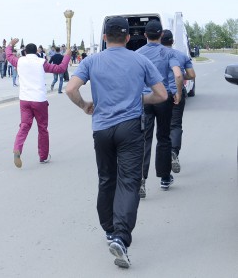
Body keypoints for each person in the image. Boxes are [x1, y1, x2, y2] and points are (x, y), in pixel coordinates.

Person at [65, 16, 167, 269]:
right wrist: (136, 99)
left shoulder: (91, 61)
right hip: (130, 128)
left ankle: (109, 230)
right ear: (129, 38)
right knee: (129, 181)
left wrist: (84, 105)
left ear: (104, 38)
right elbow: (162, 94)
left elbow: (70, 89)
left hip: (101, 129)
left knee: (106, 178)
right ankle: (121, 236)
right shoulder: (140, 60)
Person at [6, 38, 70, 167]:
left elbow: (8, 55)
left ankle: (17, 147)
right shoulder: (41, 62)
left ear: (25, 52)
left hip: (24, 99)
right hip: (39, 100)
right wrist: (67, 55)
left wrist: (11, 44)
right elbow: (61, 68)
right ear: (36, 52)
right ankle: (43, 156)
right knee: (42, 128)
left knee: (24, 125)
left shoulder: (20, 61)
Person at [136, 20, 183, 196]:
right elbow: (178, 74)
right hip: (164, 98)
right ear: (161, 35)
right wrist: (177, 92)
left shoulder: (138, 54)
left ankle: (141, 180)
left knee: (144, 139)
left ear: (145, 35)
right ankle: (164, 177)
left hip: (146, 99)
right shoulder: (168, 53)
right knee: (164, 137)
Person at [160, 30, 196, 174]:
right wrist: (181, 76)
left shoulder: (155, 56)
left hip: (158, 95)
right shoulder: (181, 55)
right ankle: (174, 152)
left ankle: (162, 164)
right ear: (173, 41)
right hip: (176, 94)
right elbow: (192, 75)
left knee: (162, 128)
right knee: (175, 125)